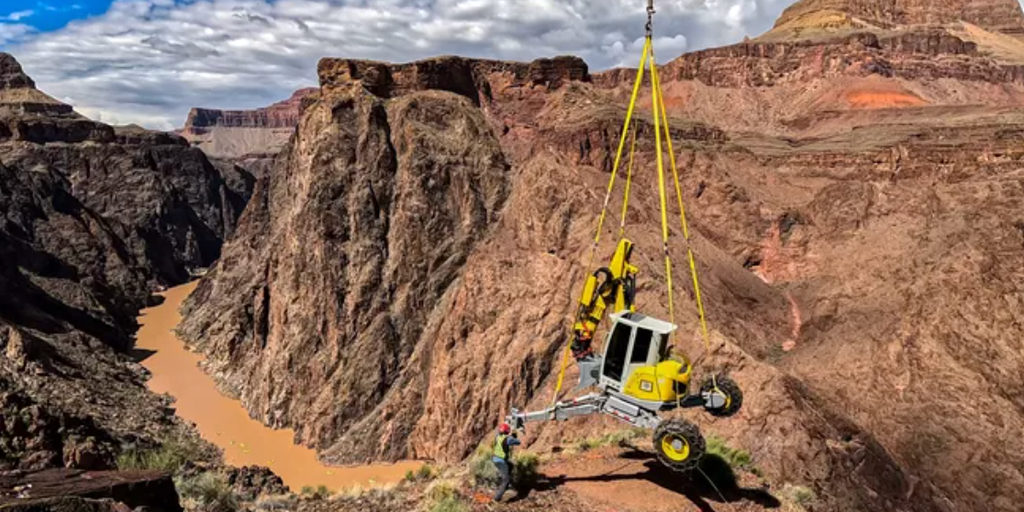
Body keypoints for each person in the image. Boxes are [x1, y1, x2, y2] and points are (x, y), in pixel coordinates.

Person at [492, 422, 521, 502]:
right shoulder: (508, 439)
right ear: (507, 431)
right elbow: (518, 442)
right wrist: (514, 434)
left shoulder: (497, 437)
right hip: (501, 461)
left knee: (510, 466)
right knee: (506, 479)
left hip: (495, 459)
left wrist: (512, 437)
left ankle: (505, 484)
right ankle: (496, 498)